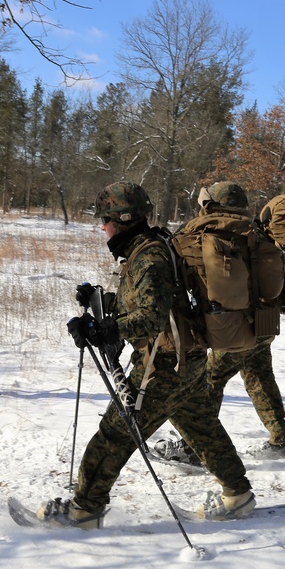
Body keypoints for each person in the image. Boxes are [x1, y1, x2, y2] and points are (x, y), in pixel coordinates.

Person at [41, 181, 255, 527]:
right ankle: (237, 494)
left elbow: (151, 317)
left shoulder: (149, 256)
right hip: (187, 360)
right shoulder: (149, 248)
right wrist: (100, 301)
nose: (102, 227)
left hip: (164, 366)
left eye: (106, 220)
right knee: (200, 427)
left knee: (115, 434)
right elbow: (153, 304)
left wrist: (105, 330)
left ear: (122, 220)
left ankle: (84, 510)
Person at [151, 181, 285, 464]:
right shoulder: (260, 233)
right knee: (259, 375)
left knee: (209, 378)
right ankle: (281, 438)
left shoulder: (198, 232)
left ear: (208, 204)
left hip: (230, 328)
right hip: (265, 324)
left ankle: (195, 448)